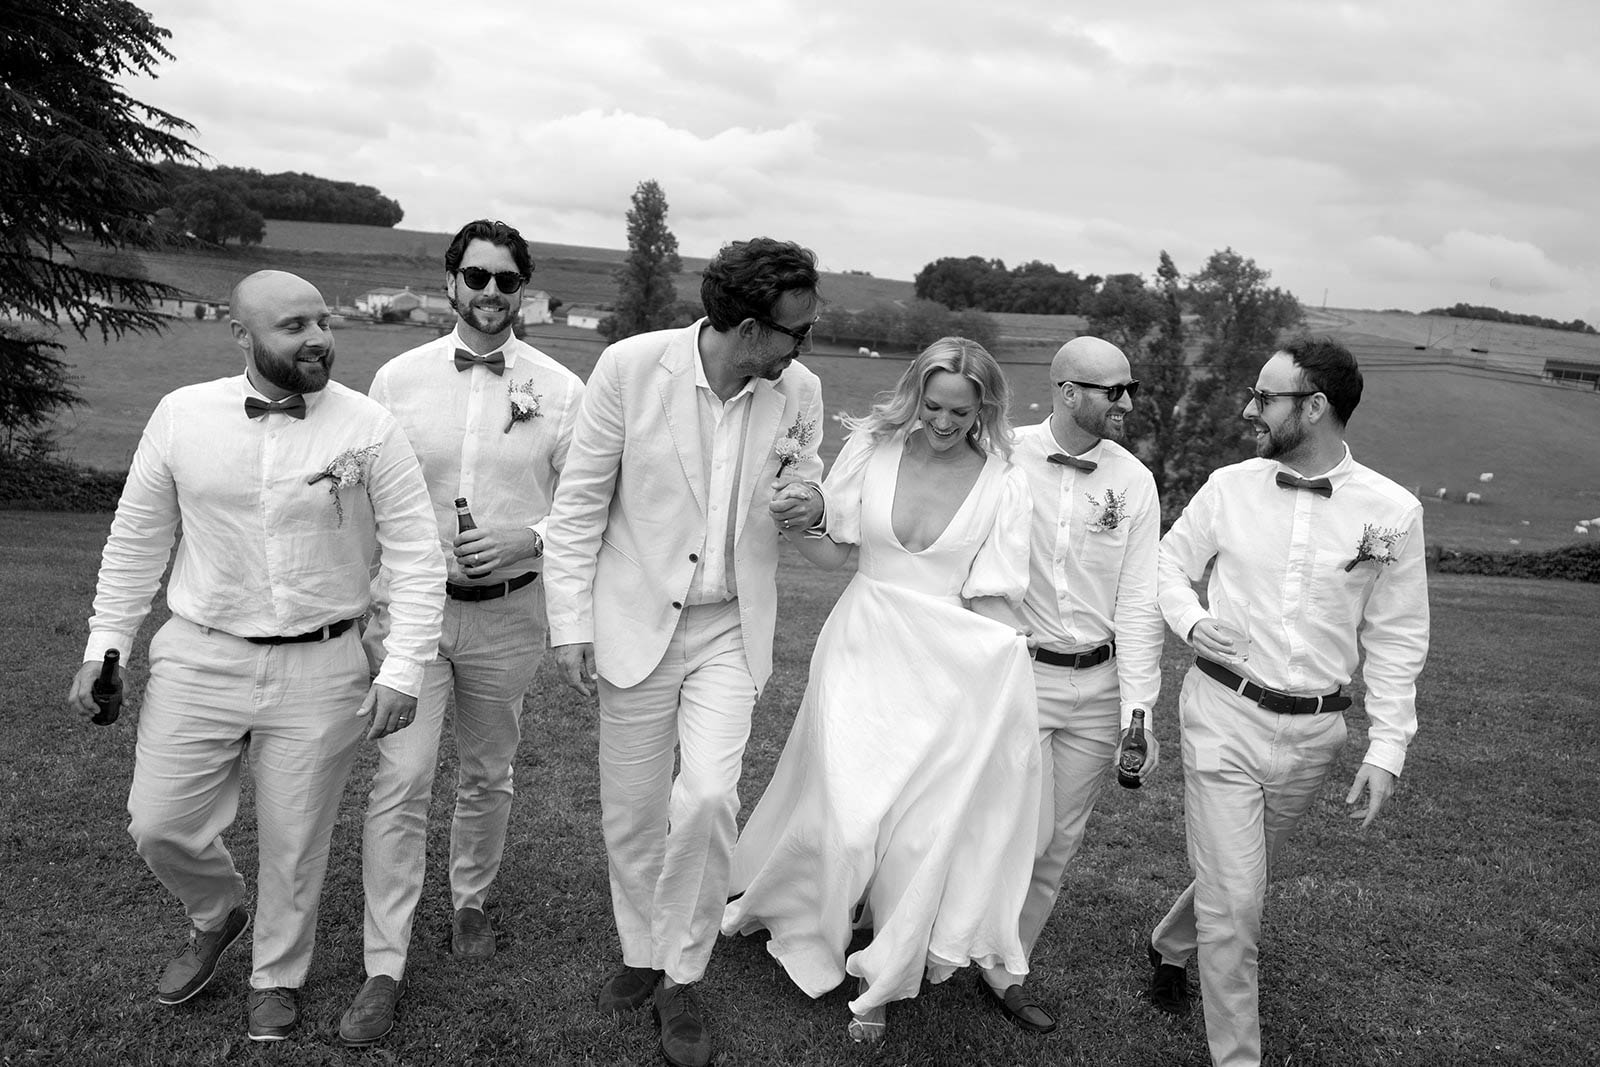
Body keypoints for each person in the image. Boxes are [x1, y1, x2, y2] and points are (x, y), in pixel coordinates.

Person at [65, 271, 445, 1043]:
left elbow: (415, 550)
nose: (317, 338)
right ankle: (216, 910)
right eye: (293, 325)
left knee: (296, 839)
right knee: (158, 821)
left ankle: (276, 975)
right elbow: (138, 538)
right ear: (242, 336)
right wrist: (107, 644)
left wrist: (403, 666)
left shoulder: (369, 426)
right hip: (199, 656)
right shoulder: (180, 416)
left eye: (323, 320)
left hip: (324, 661)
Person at [542, 237, 827, 1067]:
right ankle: (642, 946)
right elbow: (579, 505)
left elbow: (805, 487)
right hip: (635, 619)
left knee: (705, 797)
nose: (802, 348)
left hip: (732, 628)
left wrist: (807, 498)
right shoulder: (632, 369)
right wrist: (571, 623)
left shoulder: (798, 390)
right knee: (632, 810)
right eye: (793, 332)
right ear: (744, 326)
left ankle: (684, 972)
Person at [721, 337, 1041, 1044]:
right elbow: (836, 552)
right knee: (850, 812)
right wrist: (797, 523)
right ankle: (817, 926)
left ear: (984, 407)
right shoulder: (872, 450)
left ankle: (882, 972)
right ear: (914, 395)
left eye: (962, 409)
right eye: (933, 405)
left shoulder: (1004, 481)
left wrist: (1006, 669)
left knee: (915, 833)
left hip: (944, 668)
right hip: (861, 646)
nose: (945, 421)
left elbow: (992, 600)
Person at [1145, 337, 1429, 1067]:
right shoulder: (1229, 486)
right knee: (1239, 900)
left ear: (1314, 406)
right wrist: (1192, 620)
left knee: (1241, 869)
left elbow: (1398, 635)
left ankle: (1170, 942)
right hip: (1223, 712)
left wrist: (1387, 746)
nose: (1248, 408)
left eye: (1263, 397)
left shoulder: (1393, 511)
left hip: (1317, 734)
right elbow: (1168, 565)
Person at [338, 220, 585, 1046]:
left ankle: (471, 899)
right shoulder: (395, 379)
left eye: (506, 281)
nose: (489, 294)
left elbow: (588, 507)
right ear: (450, 284)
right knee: (402, 777)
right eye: (475, 277)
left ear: (525, 292)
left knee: (488, 771)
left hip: (512, 612)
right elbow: (362, 494)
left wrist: (531, 537)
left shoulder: (561, 389)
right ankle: (384, 959)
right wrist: (368, 606)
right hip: (411, 611)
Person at [976, 336, 1165, 1032]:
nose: (1127, 402)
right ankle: (923, 928)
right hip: (1016, 676)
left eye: (1131, 388)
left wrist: (1137, 712)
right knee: (1003, 824)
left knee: (1058, 841)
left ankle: (1006, 967)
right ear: (1065, 391)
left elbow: (1140, 602)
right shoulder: (1000, 453)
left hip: (1099, 685)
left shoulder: (1135, 481)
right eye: (1113, 390)